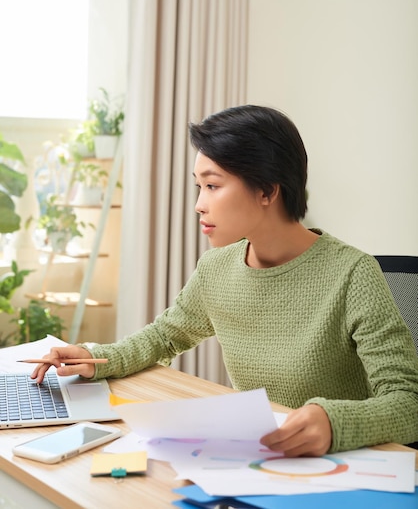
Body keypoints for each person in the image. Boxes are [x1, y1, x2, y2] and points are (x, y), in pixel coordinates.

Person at [32, 105, 418, 458]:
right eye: (199, 187)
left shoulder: (353, 274)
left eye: (213, 185)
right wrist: (96, 358)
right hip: (260, 457)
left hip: (340, 466)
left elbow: (408, 402)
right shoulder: (217, 268)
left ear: (267, 190)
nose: (199, 203)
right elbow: (163, 338)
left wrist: (332, 422)